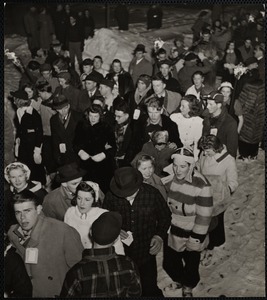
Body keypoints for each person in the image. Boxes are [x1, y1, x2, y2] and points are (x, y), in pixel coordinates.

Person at [103, 167, 171, 297]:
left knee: (149, 288)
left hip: (146, 252)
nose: (127, 197)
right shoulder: (111, 196)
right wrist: (115, 230)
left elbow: (165, 217)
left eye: (131, 193)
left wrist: (159, 236)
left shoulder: (152, 194)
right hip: (121, 254)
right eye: (123, 194)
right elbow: (105, 217)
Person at [7, 190, 83, 297]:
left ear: (38, 209)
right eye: (18, 212)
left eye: (27, 211)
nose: (22, 217)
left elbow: (80, 273)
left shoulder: (63, 232)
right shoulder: (13, 234)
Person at [161, 147, 213, 297]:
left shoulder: (202, 185)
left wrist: (196, 238)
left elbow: (204, 215)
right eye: (175, 165)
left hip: (192, 230)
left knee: (191, 263)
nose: (178, 170)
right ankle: (179, 279)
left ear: (191, 165)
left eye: (183, 166)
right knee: (169, 263)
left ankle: (188, 286)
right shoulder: (168, 180)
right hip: (172, 230)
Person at [60, 211, 142, 297]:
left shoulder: (77, 272)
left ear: (91, 232)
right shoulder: (129, 264)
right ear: (116, 239)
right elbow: (135, 293)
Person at [197, 135, 238, 265]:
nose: (204, 153)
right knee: (203, 222)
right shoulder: (204, 154)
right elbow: (199, 166)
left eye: (207, 151)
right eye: (203, 150)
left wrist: (224, 190)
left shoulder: (228, 160)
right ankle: (203, 245)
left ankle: (211, 247)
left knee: (216, 223)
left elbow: (233, 182)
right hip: (203, 195)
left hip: (218, 199)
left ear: (216, 148)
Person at [64, 181, 124, 254]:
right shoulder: (69, 213)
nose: (82, 203)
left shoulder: (103, 215)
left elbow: (117, 247)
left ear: (95, 199)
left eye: (87, 199)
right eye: (79, 198)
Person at [73, 104, 116, 193]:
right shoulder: (81, 125)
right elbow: (75, 143)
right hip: (85, 164)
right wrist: (80, 152)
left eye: (96, 116)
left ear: (100, 116)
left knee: (102, 190)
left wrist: (103, 155)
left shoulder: (106, 127)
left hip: (102, 165)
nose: (93, 119)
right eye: (91, 116)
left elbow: (113, 147)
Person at [10, 90, 46, 184]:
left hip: (32, 146)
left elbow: (39, 133)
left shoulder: (34, 114)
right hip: (23, 146)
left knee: (34, 168)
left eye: (15, 100)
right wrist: (17, 140)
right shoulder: (18, 111)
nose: (13, 102)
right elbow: (19, 128)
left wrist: (37, 150)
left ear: (20, 101)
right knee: (24, 167)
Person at [4, 162, 47, 233]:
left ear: (26, 175)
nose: (17, 180)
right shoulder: (7, 195)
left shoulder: (39, 193)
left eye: (20, 176)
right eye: (13, 177)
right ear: (9, 179)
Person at [202, 91, 238, 158]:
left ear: (219, 105)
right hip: (207, 154)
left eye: (211, 104)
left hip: (221, 157)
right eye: (207, 103)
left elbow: (232, 149)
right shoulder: (206, 118)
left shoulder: (230, 123)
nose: (207, 106)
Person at [50, 95, 82, 166]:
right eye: (60, 109)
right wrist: (57, 157)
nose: (63, 111)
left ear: (69, 106)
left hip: (77, 155)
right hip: (62, 157)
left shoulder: (79, 117)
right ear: (56, 109)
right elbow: (54, 140)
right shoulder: (53, 120)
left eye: (65, 108)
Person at [170, 94, 203, 161]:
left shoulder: (199, 122)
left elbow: (197, 144)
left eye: (183, 106)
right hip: (174, 150)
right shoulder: (174, 117)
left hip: (189, 152)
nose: (180, 108)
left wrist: (195, 160)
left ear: (190, 108)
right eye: (180, 105)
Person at [113, 99, 135, 168]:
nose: (116, 119)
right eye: (115, 116)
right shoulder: (113, 125)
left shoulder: (134, 128)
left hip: (126, 162)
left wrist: (125, 156)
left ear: (127, 116)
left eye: (119, 117)